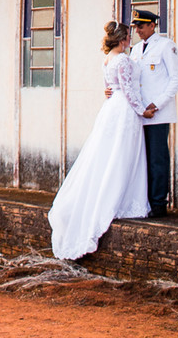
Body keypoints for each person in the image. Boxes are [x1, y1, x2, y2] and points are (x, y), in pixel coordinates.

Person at [47, 20, 149, 260]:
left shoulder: (107, 60)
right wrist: (142, 110)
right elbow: (128, 90)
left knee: (110, 154)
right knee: (124, 155)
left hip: (110, 108)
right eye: (128, 36)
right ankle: (123, 200)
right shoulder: (123, 60)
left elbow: (109, 87)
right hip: (124, 109)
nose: (130, 40)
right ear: (123, 39)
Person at [129, 12, 178, 217]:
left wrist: (157, 104)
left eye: (141, 26)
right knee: (141, 158)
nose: (138, 30)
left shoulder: (166, 46)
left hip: (158, 114)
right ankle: (145, 202)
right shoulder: (134, 50)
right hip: (140, 113)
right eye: (136, 27)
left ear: (152, 26)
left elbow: (176, 80)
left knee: (157, 159)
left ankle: (159, 203)